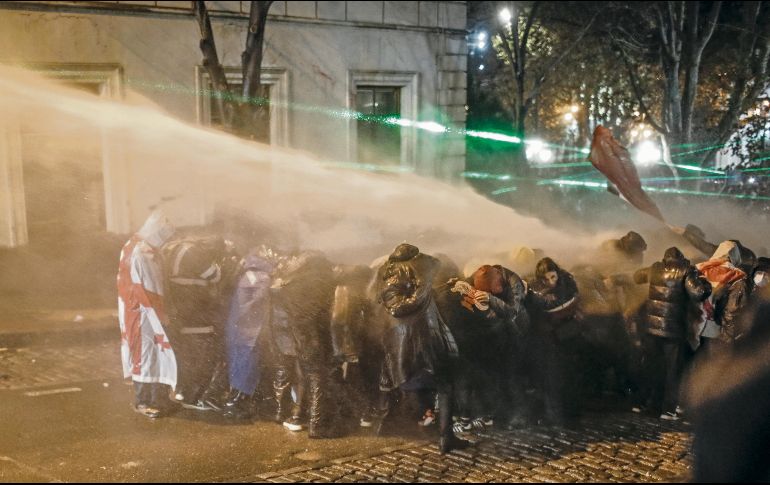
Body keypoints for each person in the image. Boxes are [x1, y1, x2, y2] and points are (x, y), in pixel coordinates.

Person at [163, 235, 239, 411]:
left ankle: (183, 390)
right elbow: (215, 275)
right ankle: (195, 396)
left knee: (187, 355)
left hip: (181, 311)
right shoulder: (193, 252)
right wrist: (227, 259)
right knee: (204, 355)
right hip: (196, 311)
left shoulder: (176, 248)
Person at [633, 247, 711, 420]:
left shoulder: (655, 268)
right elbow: (698, 293)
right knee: (673, 371)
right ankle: (668, 410)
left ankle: (644, 403)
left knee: (652, 366)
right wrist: (705, 282)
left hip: (651, 328)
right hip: (673, 330)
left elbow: (637, 276)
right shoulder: (686, 271)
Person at [117, 210, 177, 419]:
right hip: (143, 312)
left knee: (152, 353)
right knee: (145, 354)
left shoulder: (135, 245)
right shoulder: (143, 252)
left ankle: (158, 398)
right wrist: (162, 313)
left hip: (138, 309)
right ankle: (144, 401)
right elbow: (151, 287)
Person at [525, 257, 581, 425]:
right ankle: (554, 415)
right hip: (549, 339)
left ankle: (569, 413)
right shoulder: (536, 290)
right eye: (546, 279)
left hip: (567, 336)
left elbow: (569, 303)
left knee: (568, 375)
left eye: (553, 277)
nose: (550, 282)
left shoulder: (568, 283)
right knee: (551, 378)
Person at [221, 250, 274, 419]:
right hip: (250, 329)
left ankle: (234, 400)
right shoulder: (262, 277)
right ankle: (238, 403)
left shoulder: (245, 274)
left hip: (237, 326)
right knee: (247, 364)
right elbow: (262, 297)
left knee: (237, 363)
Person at [693, 241, 750, 355]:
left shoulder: (699, 269)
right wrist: (728, 338)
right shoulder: (737, 278)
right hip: (714, 330)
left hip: (693, 326)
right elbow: (732, 311)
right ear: (736, 256)